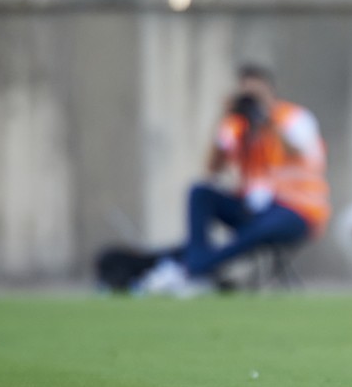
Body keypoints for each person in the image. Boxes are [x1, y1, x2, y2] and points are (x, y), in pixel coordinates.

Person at [138, 63, 330, 296]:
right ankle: (198, 267)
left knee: (265, 226)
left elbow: (294, 151)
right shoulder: (238, 125)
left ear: (271, 91)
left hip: (297, 210)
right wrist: (225, 117)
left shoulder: (294, 117)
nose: (252, 101)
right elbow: (212, 168)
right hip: (254, 207)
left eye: (257, 94)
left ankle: (193, 269)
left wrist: (267, 117)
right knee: (200, 192)